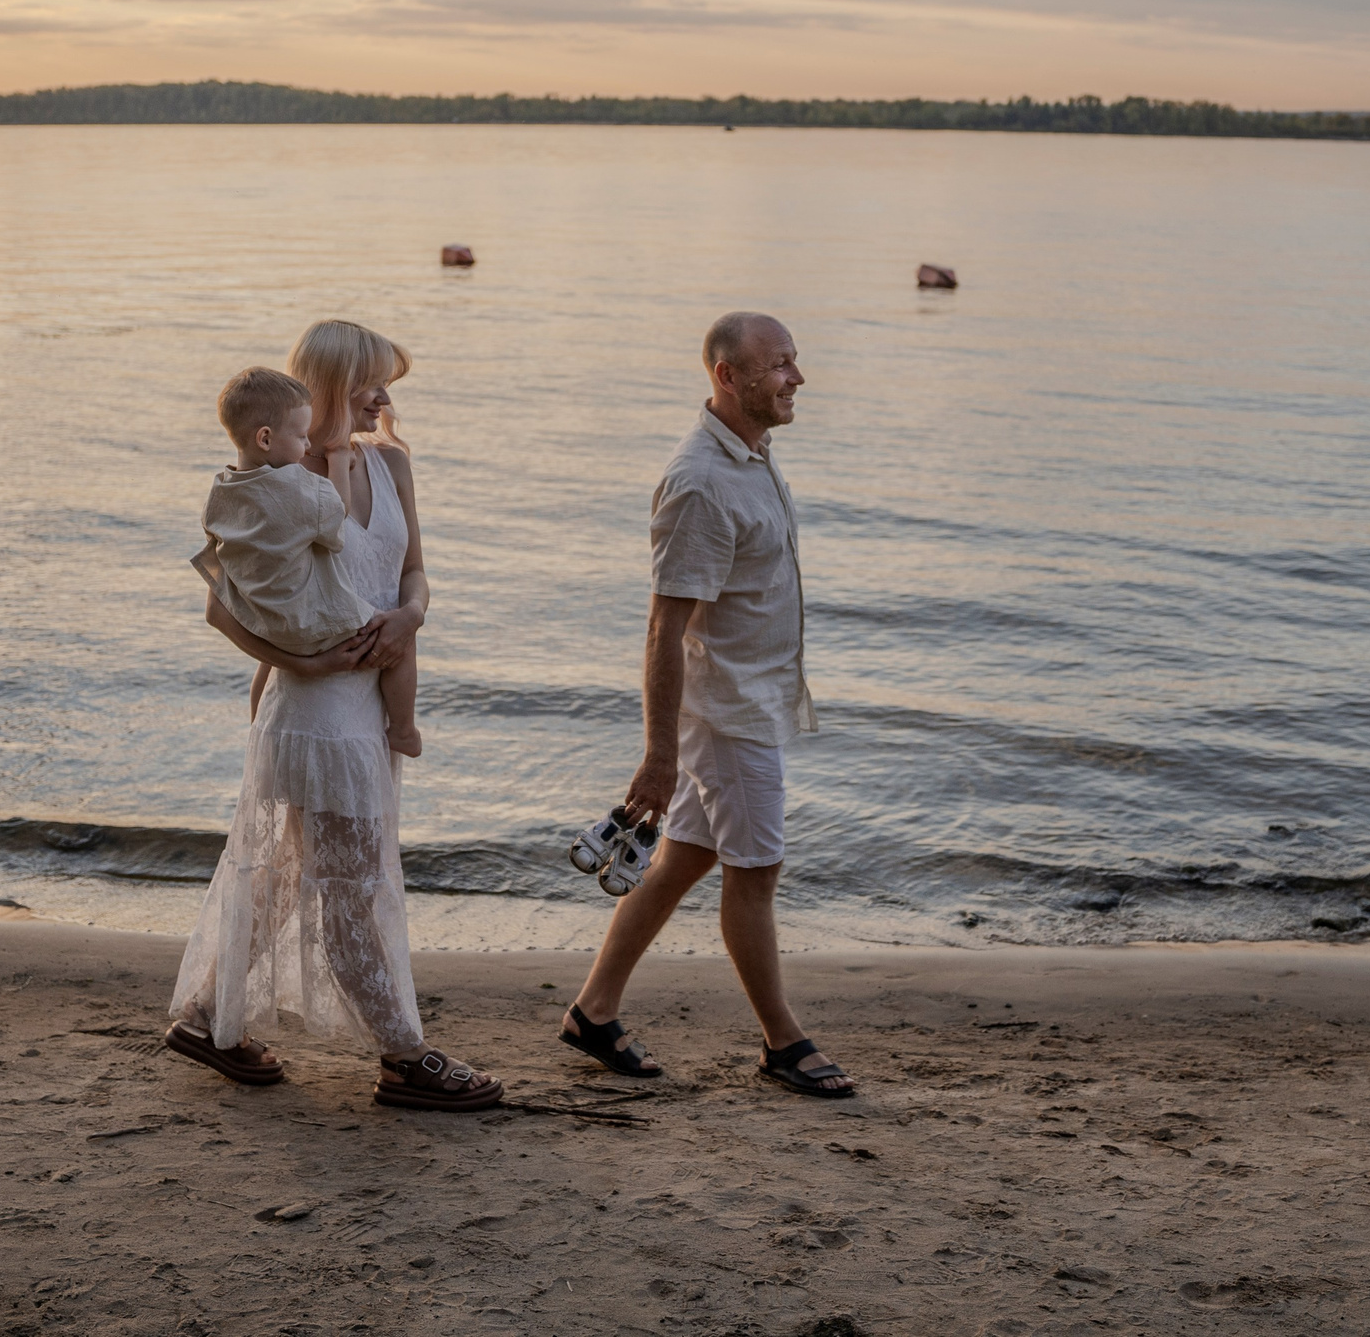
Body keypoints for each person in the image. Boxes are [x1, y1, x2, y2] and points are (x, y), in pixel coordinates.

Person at [164, 320, 501, 1112]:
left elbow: (412, 573)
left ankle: (205, 1014)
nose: (385, 397)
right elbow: (222, 606)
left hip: (370, 710)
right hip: (312, 709)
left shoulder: (390, 464)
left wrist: (409, 618)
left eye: (390, 383)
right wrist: (301, 662)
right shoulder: (277, 478)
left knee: (289, 877)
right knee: (350, 884)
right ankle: (404, 1055)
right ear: (326, 385)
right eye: (370, 382)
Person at [561, 311, 854, 1098]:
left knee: (687, 855)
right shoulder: (700, 482)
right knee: (756, 871)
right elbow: (665, 626)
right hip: (728, 716)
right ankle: (784, 1043)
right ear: (728, 375)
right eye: (779, 365)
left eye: (795, 361)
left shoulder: (753, 454)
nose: (797, 377)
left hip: (748, 700)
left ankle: (593, 1010)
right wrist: (658, 754)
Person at [191, 366, 420, 760]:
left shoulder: (224, 489)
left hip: (276, 626)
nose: (385, 398)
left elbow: (222, 562)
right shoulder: (298, 485)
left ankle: (257, 736)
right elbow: (337, 516)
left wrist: (414, 610)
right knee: (398, 639)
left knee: (400, 624)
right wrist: (338, 461)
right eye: (372, 384)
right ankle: (404, 728)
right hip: (317, 671)